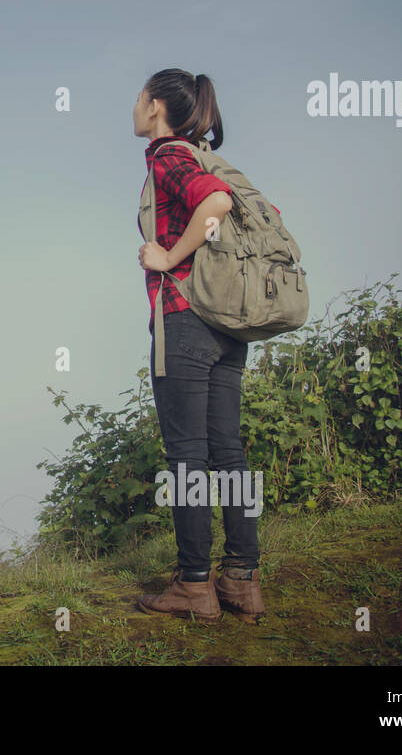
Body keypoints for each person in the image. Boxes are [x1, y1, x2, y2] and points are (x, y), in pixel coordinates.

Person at [131, 68, 265, 625]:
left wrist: (166, 257)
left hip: (185, 318)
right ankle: (241, 580)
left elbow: (214, 204)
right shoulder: (200, 152)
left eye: (139, 99)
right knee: (227, 451)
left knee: (187, 457)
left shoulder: (169, 155)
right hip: (227, 323)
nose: (134, 108)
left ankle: (192, 585)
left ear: (157, 105)